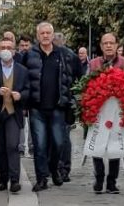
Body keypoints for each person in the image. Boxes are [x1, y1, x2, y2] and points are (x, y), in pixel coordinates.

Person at [25, 22, 81, 192]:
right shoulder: (29, 55)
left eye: (48, 32)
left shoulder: (65, 54)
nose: (46, 36)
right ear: (37, 35)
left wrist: (74, 100)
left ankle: (54, 168)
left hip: (58, 107)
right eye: (42, 33)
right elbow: (21, 77)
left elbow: (79, 76)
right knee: (40, 146)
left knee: (58, 143)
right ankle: (42, 178)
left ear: (53, 35)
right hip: (37, 108)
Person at [87, 33, 124, 194]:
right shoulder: (93, 64)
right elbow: (85, 85)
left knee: (115, 146)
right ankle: (99, 178)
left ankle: (112, 181)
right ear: (101, 46)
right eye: (105, 43)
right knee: (97, 145)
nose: (108, 46)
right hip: (98, 111)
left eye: (111, 43)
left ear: (116, 45)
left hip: (117, 113)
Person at [0, 38, 29, 193]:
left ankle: (15, 180)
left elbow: (28, 90)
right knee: (1, 148)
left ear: (14, 51)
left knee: (12, 145)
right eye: (2, 47)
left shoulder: (22, 70)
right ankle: (3, 178)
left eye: (9, 47)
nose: (6, 50)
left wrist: (20, 95)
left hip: (13, 113)